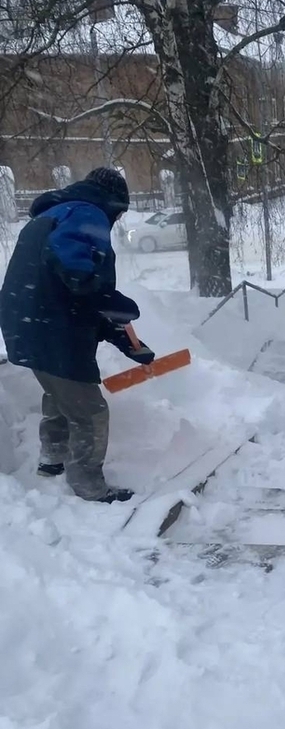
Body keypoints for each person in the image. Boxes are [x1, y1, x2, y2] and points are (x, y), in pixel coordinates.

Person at [0, 167, 155, 502]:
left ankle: (52, 459)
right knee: (90, 412)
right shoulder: (87, 212)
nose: (116, 219)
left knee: (59, 391)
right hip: (54, 329)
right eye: (120, 212)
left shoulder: (57, 213)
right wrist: (110, 298)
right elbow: (77, 274)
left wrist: (128, 343)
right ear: (113, 202)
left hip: (28, 323)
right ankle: (88, 486)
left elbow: (81, 297)